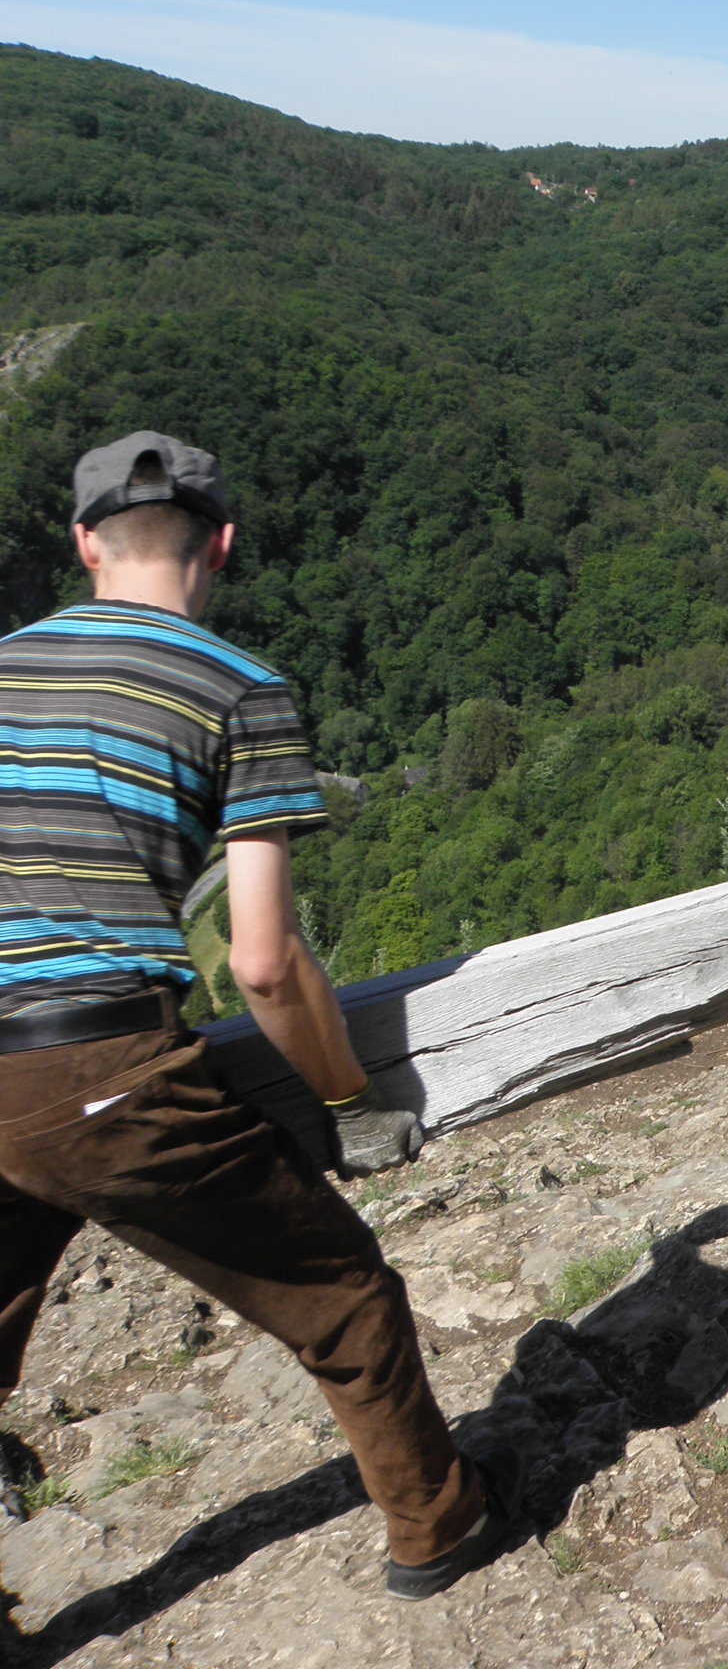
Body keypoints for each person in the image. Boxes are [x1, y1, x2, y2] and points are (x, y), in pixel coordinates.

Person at [0, 433, 514, 1599]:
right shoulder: (237, 690)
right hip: (102, 1072)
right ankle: (441, 1528)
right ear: (223, 544)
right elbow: (266, 963)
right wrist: (348, 1101)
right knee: (343, 1298)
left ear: (83, 544)